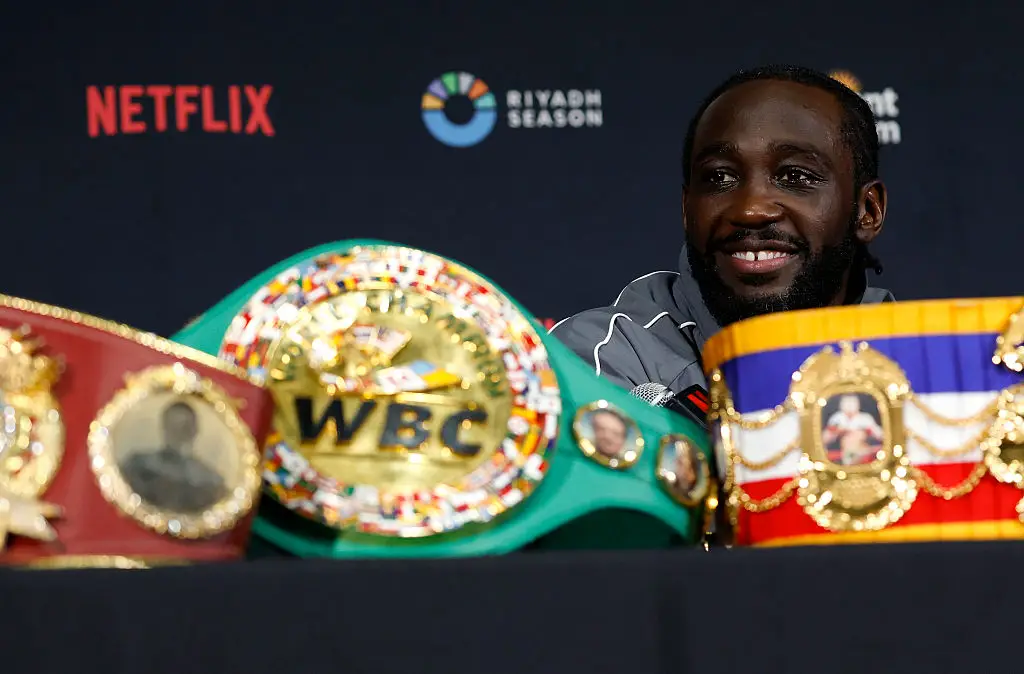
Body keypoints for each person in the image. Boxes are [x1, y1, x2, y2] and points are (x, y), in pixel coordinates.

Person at [550, 65, 894, 396]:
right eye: (719, 177)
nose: (750, 209)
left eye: (796, 177)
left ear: (867, 211)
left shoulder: (921, 365)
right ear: (687, 208)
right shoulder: (599, 360)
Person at [119, 400, 228, 513]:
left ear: (194, 430)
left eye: (184, 427)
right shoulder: (138, 466)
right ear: (164, 428)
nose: (178, 433)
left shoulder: (210, 481)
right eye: (173, 426)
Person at [822, 394, 883, 465]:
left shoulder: (866, 418)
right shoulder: (837, 418)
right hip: (844, 453)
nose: (849, 406)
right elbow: (825, 438)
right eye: (846, 403)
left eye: (852, 403)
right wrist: (836, 431)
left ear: (858, 405)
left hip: (862, 450)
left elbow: (880, 434)